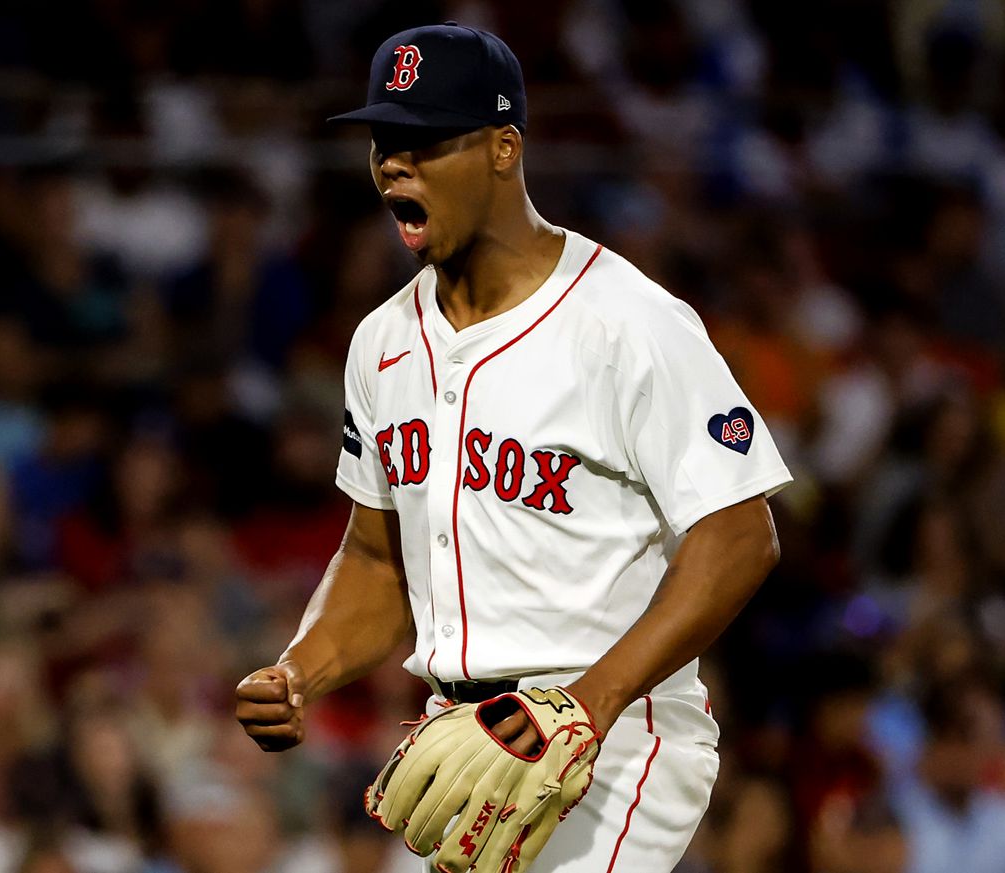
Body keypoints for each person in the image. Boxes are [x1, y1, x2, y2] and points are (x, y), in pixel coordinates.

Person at [235, 22, 790, 872]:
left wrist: (586, 703)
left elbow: (741, 533)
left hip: (613, 738)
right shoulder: (381, 343)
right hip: (458, 746)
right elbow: (380, 561)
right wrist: (301, 669)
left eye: (426, 140)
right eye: (385, 141)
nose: (394, 163)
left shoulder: (627, 321)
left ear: (504, 148)